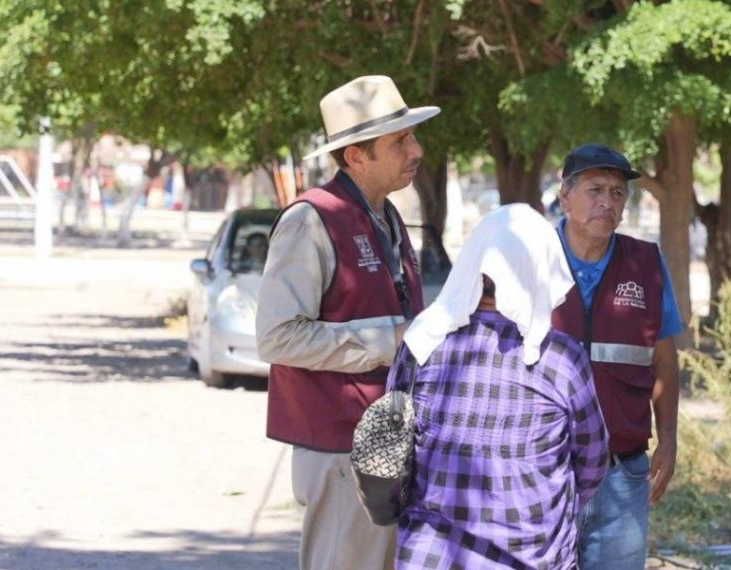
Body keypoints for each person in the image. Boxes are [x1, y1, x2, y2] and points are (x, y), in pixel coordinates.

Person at [256, 75, 439, 570]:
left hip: (385, 444)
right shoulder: (311, 220)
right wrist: (391, 340)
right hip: (341, 449)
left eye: (412, 136)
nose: (416, 150)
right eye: (400, 141)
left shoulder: (387, 217)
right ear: (356, 156)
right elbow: (276, 337)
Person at [380, 203, 610, 569]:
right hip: (532, 557)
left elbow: (393, 438)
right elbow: (592, 461)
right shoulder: (562, 359)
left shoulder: (424, 340)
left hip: (429, 556)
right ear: (541, 270)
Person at [550, 143, 683, 569]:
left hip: (622, 471)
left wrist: (669, 438)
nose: (607, 202)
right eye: (595, 190)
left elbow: (665, 361)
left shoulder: (645, 263)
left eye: (617, 192)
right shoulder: (534, 257)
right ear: (565, 196)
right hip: (545, 470)